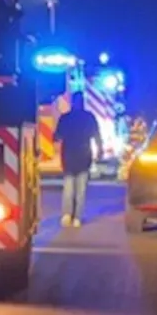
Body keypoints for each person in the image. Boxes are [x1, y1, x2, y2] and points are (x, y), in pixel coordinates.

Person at [54, 91, 101, 228]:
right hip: (84, 156)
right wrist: (100, 150)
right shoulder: (89, 117)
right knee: (81, 190)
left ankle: (67, 215)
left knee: (68, 189)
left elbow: (57, 136)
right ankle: (77, 218)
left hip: (68, 156)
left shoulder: (65, 118)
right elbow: (96, 135)